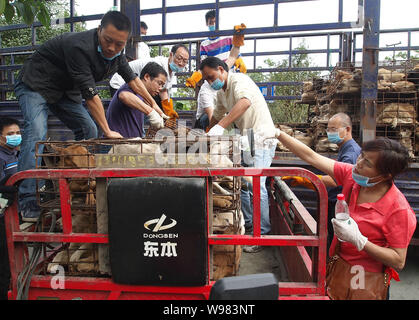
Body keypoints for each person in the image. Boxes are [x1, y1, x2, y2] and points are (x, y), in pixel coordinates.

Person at [14, 11, 165, 221]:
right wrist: (108, 130)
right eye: (107, 40)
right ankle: (27, 201)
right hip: (36, 84)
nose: (111, 47)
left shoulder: (117, 55)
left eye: (119, 44)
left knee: (88, 130)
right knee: (36, 133)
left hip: (63, 91)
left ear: (126, 42)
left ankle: (81, 184)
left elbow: (133, 81)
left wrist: (154, 107)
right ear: (99, 30)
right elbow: (91, 96)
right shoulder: (79, 47)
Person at [274, 128, 417, 300]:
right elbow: (312, 157)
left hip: (367, 281)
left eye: (368, 163)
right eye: (361, 155)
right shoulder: (352, 176)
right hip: (339, 268)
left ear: (386, 175)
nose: (359, 163)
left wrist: (360, 241)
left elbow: (398, 260)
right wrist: (278, 134)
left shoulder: (398, 210)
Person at [200, 57, 277, 253]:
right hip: (247, 139)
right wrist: (205, 136)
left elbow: (244, 102)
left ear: (221, 69)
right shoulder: (221, 93)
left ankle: (262, 234)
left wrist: (220, 127)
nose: (210, 82)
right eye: (207, 80)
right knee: (242, 184)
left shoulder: (238, 81)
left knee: (257, 185)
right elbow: (216, 116)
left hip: (261, 136)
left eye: (211, 77)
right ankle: (249, 224)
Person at [283, 113, 361, 248]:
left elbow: (337, 180)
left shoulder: (351, 153)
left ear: (347, 129)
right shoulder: (345, 148)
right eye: (328, 129)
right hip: (335, 201)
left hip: (341, 204)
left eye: (334, 129)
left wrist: (306, 180)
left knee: (337, 240)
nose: (330, 133)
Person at [187, 10, 247, 131]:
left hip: (226, 71)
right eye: (210, 22)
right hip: (210, 121)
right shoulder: (207, 89)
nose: (213, 24)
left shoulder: (229, 81)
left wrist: (238, 51)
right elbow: (212, 116)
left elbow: (232, 56)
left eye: (215, 22)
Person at [110, 43, 190, 119]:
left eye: (185, 61)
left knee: (155, 108)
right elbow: (142, 88)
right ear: (171, 55)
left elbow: (163, 90)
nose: (181, 63)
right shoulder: (157, 65)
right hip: (120, 83)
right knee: (135, 114)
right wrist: (154, 109)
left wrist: (169, 111)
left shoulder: (171, 71)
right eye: (179, 58)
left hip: (137, 87)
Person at [106, 62, 168, 138]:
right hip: (114, 145)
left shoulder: (143, 97)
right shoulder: (130, 88)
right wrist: (150, 111)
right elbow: (124, 96)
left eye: (162, 85)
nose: (160, 88)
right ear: (147, 77)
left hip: (129, 145)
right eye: (159, 83)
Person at [0, 117, 21, 299]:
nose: (15, 136)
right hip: (2, 214)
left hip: (10, 210)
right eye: (10, 134)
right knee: (4, 261)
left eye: (18, 133)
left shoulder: (13, 153)